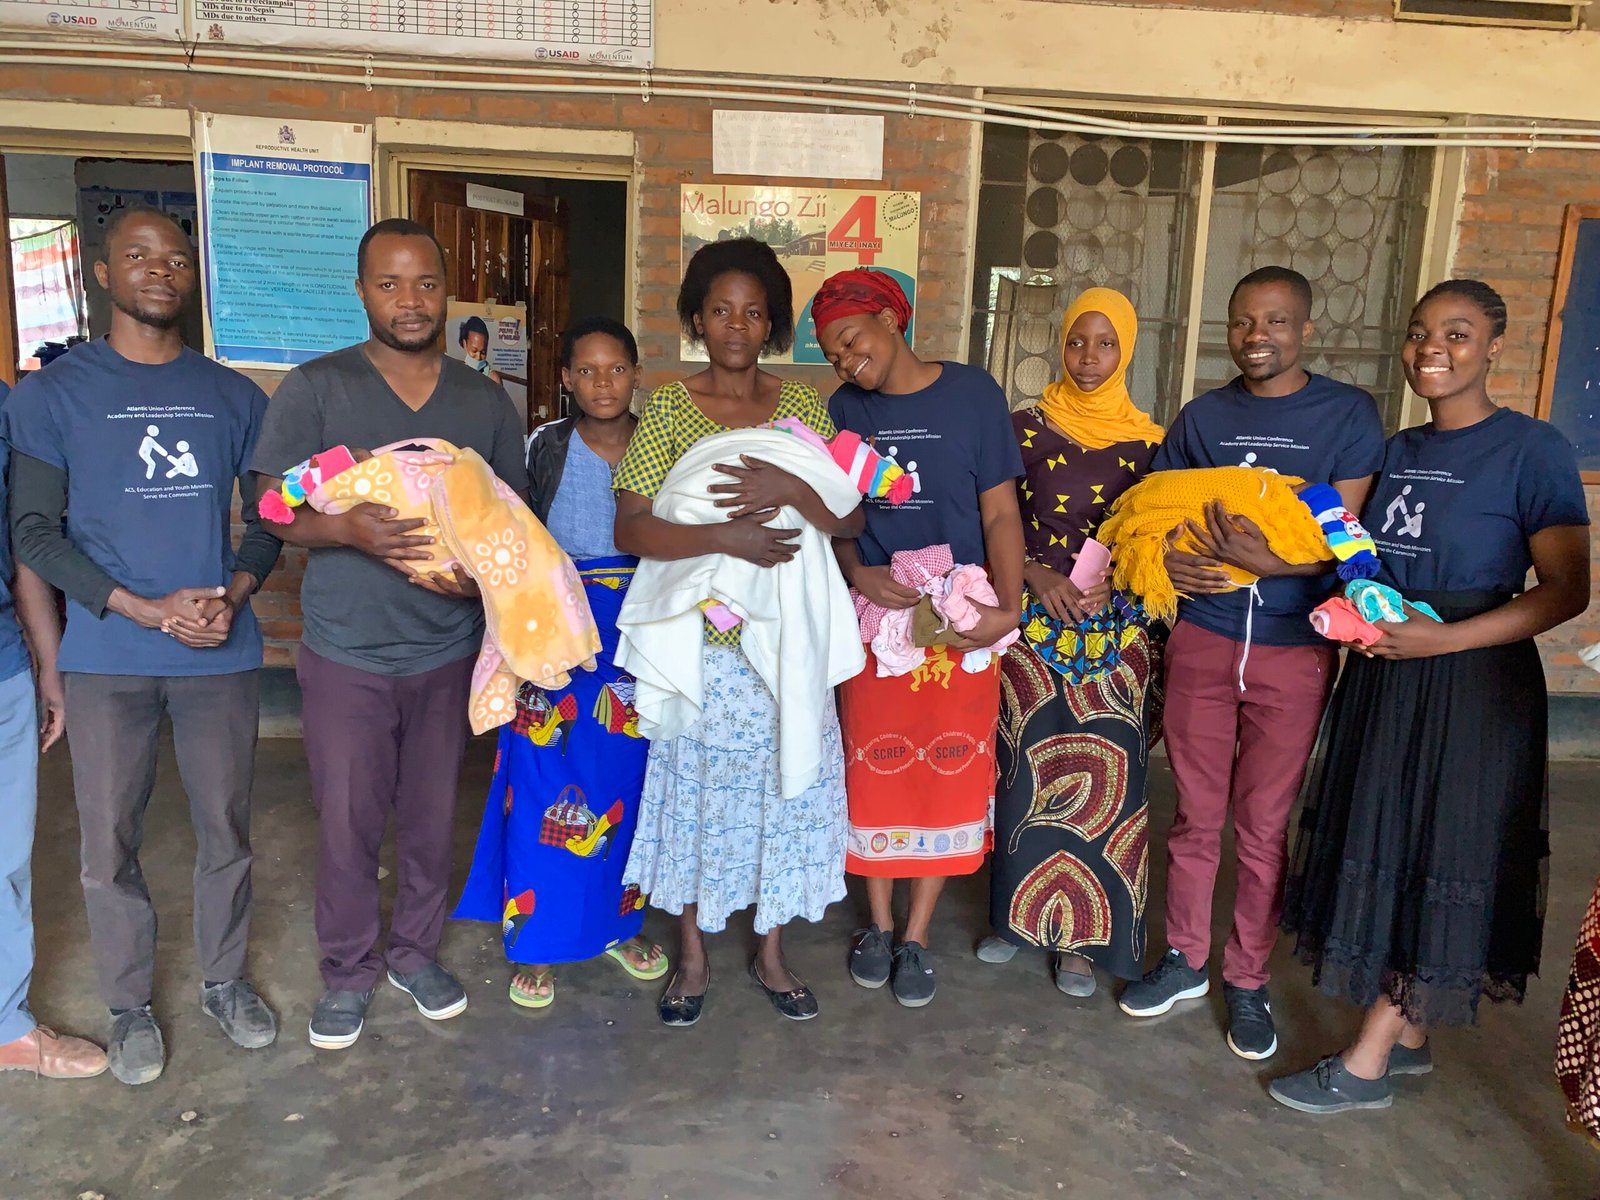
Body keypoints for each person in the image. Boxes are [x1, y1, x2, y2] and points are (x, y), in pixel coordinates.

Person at [1270, 280, 1590, 1113]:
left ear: (1494, 347)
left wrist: (1441, 639)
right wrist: (1337, 597)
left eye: (1456, 333)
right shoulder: (1402, 449)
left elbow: (1565, 591)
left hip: (1474, 686)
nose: (1432, 350)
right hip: (1388, 678)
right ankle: (1408, 1032)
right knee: (1393, 846)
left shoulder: (1533, 449)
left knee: (1446, 854)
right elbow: (1362, 557)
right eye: (1418, 334)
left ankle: (1368, 1059)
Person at [6, 207, 282, 1086]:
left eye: (174, 259)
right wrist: (143, 608)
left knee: (225, 829)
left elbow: (272, 519)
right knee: (107, 841)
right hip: (106, 658)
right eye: (138, 257)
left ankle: (224, 981)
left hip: (219, 655)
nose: (159, 271)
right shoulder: (52, 395)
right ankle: (128, 1006)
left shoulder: (235, 396)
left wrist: (234, 593)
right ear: (99, 273)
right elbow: (35, 535)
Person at [252, 218, 528, 1051]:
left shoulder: (482, 401)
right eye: (389, 284)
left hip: (446, 650)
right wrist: (350, 533)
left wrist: (482, 575)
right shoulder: (319, 389)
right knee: (345, 820)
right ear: (362, 290)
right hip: (347, 654)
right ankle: (347, 971)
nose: (409, 302)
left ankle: (414, 953)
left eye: (425, 284)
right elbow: (271, 505)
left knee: (429, 815)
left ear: (446, 293)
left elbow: (514, 522)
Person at [1117, 266, 1384, 1062]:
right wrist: (1169, 557)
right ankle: (1185, 960)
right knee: (1196, 817)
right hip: (1202, 638)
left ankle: (1248, 978)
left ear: (1304, 328)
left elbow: (1347, 539)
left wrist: (1272, 566)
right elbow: (1155, 507)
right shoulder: (1203, 416)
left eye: (1273, 321)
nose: (1255, 336)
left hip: (1293, 651)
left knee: (1264, 828)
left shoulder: (1345, 415)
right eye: (1240, 322)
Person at [613, 238, 863, 1026]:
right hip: (709, 651)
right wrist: (728, 541)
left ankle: (771, 950)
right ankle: (691, 955)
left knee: (783, 797)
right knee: (701, 803)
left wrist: (792, 483)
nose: (735, 325)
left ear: (772, 327)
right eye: (720, 309)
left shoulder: (804, 410)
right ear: (695, 317)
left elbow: (848, 515)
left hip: (789, 644)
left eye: (754, 313)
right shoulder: (670, 411)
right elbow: (633, 528)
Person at [819, 268, 1025, 1009]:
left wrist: (1008, 607)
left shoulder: (973, 394)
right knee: (873, 769)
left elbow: (1000, 512)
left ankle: (918, 935)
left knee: (946, 771)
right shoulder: (844, 408)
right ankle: (876, 924)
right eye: (832, 354)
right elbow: (837, 516)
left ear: (888, 318)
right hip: (880, 625)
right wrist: (858, 572)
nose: (845, 362)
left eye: (849, 340)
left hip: (960, 618)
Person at [453, 316, 666, 1008]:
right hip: (555, 633)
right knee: (543, 784)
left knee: (627, 791)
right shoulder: (544, 445)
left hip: (640, 636)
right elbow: (507, 530)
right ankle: (536, 942)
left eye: (617, 369)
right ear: (567, 379)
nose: (603, 383)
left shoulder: (662, 444)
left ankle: (618, 924)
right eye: (588, 371)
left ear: (637, 374)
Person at [975, 287, 1165, 998]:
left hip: (1113, 633)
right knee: (1023, 771)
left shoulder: (1152, 443)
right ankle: (1014, 920)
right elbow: (990, 517)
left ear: (1127, 351)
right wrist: (1034, 572)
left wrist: (1115, 587)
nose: (1089, 357)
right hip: (1030, 622)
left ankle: (1082, 942)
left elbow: (1156, 534)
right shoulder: (1020, 428)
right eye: (1078, 342)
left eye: (1106, 343)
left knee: (1107, 788)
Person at [0, 376, 108, 1082]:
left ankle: (6, 1027)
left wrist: (47, 661)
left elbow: (23, 540)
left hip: (2, 666)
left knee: (6, 855)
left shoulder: (5, 406)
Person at [458, 315, 504, 386]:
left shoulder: (493, 379)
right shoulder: (456, 374)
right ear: (465, 344)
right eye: (474, 351)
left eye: (483, 352)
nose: (478, 357)